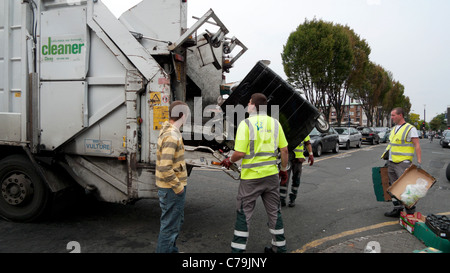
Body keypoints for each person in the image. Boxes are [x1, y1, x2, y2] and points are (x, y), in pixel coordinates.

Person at [221, 93, 289, 253]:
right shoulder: (275, 123)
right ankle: (280, 248)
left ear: (254, 106)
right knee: (274, 212)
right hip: (271, 176)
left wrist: (229, 161)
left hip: (251, 178)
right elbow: (284, 150)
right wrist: (283, 170)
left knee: (244, 214)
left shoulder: (246, 124)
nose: (247, 105)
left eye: (249, 102)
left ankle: (238, 252)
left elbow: (239, 153)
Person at [155, 101, 190, 253]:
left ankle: (171, 250)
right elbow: (165, 166)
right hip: (172, 190)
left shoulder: (170, 131)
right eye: (187, 114)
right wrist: (179, 188)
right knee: (169, 227)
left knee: (174, 224)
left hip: (170, 189)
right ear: (182, 115)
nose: (187, 118)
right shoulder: (171, 136)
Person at [381, 107, 422, 217]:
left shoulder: (410, 128)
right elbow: (392, 145)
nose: (392, 117)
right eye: (391, 115)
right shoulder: (394, 129)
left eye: (393, 115)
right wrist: (387, 158)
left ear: (400, 115)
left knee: (406, 187)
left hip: (403, 163)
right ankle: (397, 209)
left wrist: (419, 162)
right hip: (392, 162)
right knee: (393, 187)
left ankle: (410, 211)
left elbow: (417, 145)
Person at [280, 136, 314, 207]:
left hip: (298, 159)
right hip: (287, 158)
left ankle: (292, 199)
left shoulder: (302, 128)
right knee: (284, 179)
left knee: (296, 180)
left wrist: (311, 154)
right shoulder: (288, 129)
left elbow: (307, 142)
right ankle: (282, 199)